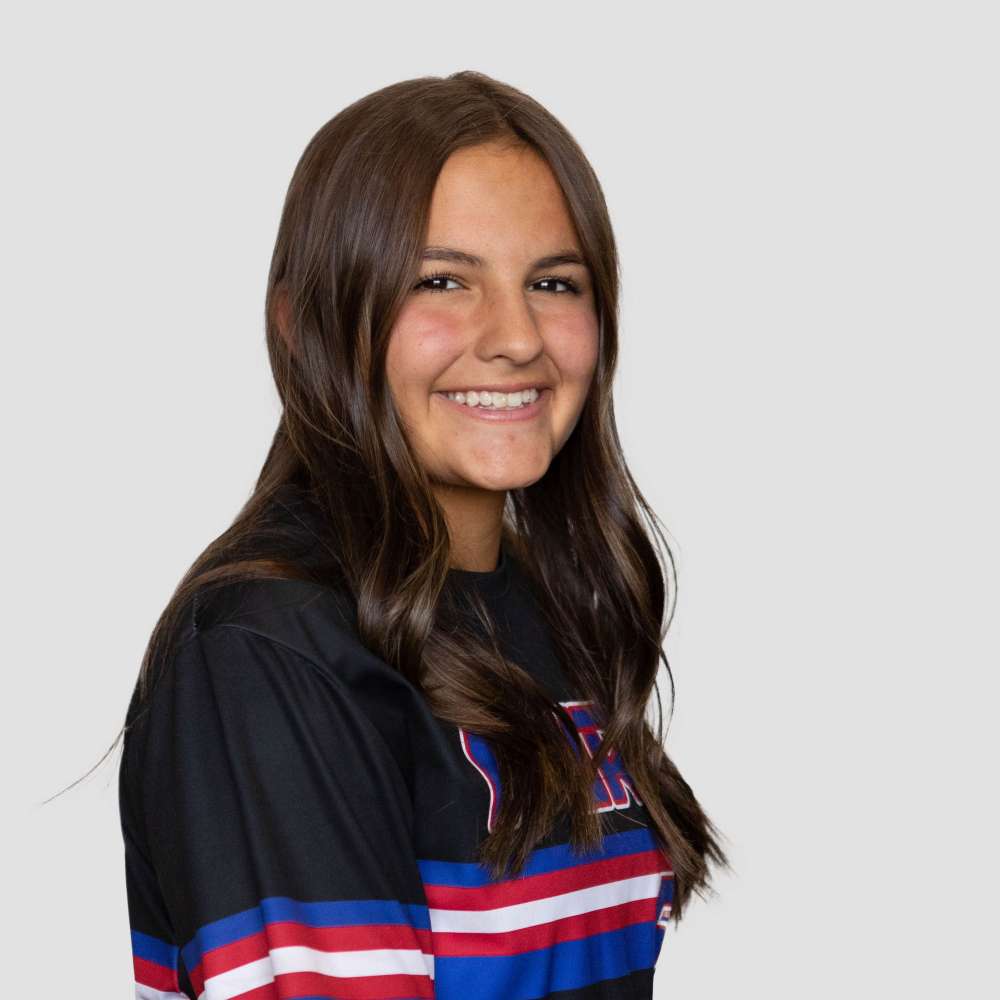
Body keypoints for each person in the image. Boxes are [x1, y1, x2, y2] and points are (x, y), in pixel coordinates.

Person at [117, 70, 730, 1000]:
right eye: (442, 281)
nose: (517, 337)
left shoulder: (550, 609)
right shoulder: (268, 650)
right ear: (304, 323)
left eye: (553, 283)